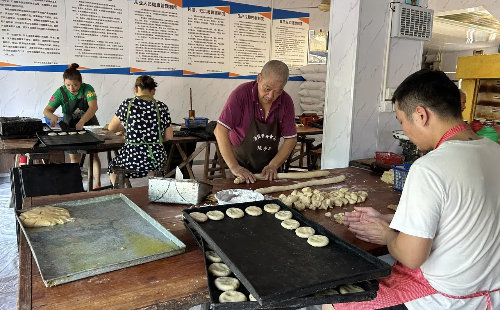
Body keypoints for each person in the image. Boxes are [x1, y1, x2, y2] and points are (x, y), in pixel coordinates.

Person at [326, 70, 500, 310]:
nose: (404, 130)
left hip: (443, 300)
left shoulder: (429, 168)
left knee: (335, 302)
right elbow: (465, 219)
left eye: (401, 121)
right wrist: (393, 220)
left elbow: (411, 257)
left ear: (421, 115)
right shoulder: (494, 150)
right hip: (491, 291)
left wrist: (386, 234)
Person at [214, 60, 297, 183]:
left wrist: (273, 165)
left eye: (278, 91)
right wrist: (234, 166)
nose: (270, 96)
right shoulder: (241, 95)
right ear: (259, 78)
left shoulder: (286, 102)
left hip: (268, 169)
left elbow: (291, 139)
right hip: (239, 165)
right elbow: (220, 130)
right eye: (267, 88)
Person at [43, 63, 102, 188]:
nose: (71, 88)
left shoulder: (88, 89)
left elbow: (93, 107)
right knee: (74, 156)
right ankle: (76, 185)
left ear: (80, 82)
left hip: (89, 125)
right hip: (70, 128)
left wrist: (82, 121)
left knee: (93, 155)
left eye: (75, 85)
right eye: (68, 85)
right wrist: (52, 116)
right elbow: (47, 110)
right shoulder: (60, 92)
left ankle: (97, 184)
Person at [107, 75, 172, 184]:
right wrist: (153, 141)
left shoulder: (127, 104)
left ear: (136, 89)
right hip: (156, 159)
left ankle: (119, 193)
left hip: (132, 158)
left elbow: (110, 128)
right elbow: (169, 136)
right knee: (154, 166)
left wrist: (126, 131)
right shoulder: (162, 107)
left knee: (112, 166)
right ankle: (154, 189)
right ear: (153, 91)